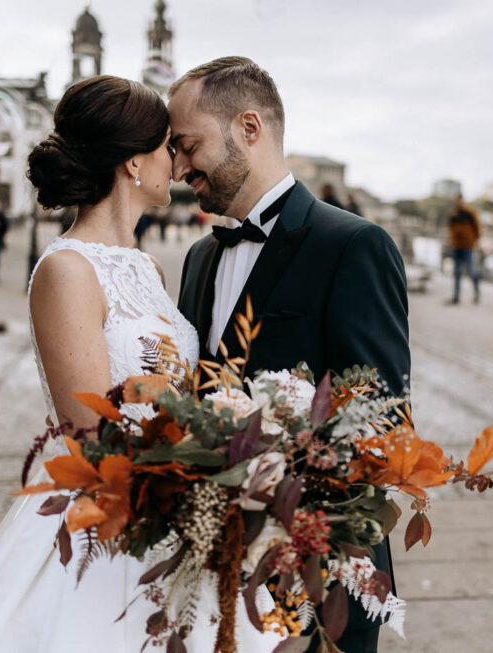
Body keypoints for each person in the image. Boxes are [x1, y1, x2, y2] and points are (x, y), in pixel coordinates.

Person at [0, 76, 278, 652]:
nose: (180, 161)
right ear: (134, 163)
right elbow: (88, 434)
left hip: (176, 504)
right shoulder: (66, 270)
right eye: (170, 145)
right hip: (111, 518)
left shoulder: (149, 269)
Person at [170, 57, 409, 653]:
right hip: (216, 571)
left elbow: (382, 421)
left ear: (248, 128)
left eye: (187, 145)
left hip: (321, 574)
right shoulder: (200, 258)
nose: (177, 167)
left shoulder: (353, 245)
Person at [446, 195, 481, 304]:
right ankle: (456, 296)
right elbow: (451, 229)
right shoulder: (453, 214)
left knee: (470, 271)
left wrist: (473, 241)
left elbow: (477, 228)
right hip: (456, 246)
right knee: (457, 272)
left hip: (467, 247)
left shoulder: (470, 213)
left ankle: (477, 292)